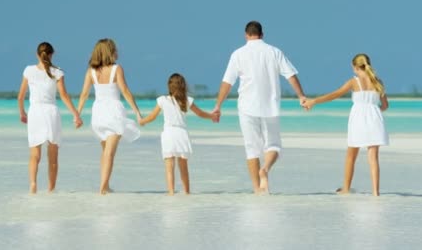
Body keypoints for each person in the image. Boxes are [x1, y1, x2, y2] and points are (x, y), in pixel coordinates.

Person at [213, 21, 307, 194]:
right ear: (262, 34)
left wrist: (218, 105)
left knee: (251, 148)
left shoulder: (238, 54)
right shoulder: (274, 52)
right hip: (270, 107)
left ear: (246, 35)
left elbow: (227, 82)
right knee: (274, 146)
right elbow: (291, 75)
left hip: (247, 107)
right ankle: (265, 169)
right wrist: (301, 96)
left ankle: (257, 189)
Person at [303, 53, 389, 196]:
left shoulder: (354, 82)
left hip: (358, 120)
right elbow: (385, 105)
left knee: (351, 155)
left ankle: (346, 189)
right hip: (375, 119)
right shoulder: (377, 82)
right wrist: (373, 111)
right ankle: (375, 192)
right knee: (373, 158)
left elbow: (335, 94)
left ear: (355, 67)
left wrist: (313, 101)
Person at [77, 38, 142, 195]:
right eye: (115, 49)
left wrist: (77, 114)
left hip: (98, 114)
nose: (117, 52)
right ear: (110, 52)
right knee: (109, 153)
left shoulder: (90, 72)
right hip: (113, 112)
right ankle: (103, 188)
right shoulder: (116, 69)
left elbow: (84, 94)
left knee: (106, 151)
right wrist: (137, 112)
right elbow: (125, 91)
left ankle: (104, 185)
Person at [17, 42, 82, 194]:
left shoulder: (28, 71)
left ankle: (33, 184)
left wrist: (22, 113)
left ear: (37, 54)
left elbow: (20, 96)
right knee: (53, 156)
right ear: (52, 54)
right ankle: (51, 190)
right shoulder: (57, 72)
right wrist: (76, 115)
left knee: (34, 154)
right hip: (51, 112)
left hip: (35, 113)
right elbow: (64, 96)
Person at [140, 73, 216, 195]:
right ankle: (186, 192)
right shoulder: (186, 101)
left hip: (169, 134)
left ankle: (171, 192)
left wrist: (142, 121)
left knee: (169, 166)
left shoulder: (163, 100)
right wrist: (212, 116)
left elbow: (152, 117)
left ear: (169, 86)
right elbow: (200, 114)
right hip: (181, 134)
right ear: (183, 86)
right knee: (183, 166)